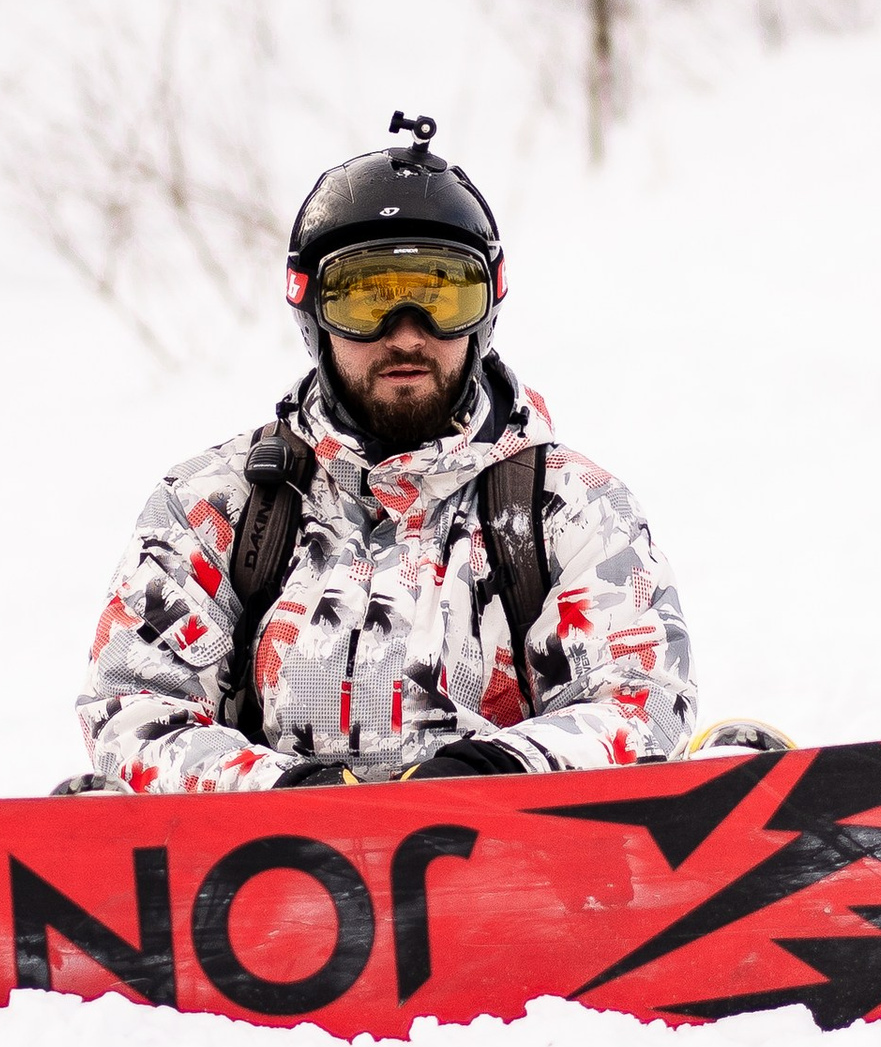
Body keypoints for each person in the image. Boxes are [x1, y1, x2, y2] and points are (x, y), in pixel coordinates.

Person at [78, 114, 696, 792]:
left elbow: (642, 701)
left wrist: (498, 772)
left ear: (486, 308)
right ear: (312, 308)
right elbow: (131, 709)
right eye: (366, 297)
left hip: (509, 874)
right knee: (85, 807)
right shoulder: (217, 505)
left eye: (441, 294)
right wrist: (286, 796)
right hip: (273, 876)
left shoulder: (570, 507)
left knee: (728, 754)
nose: (407, 335)